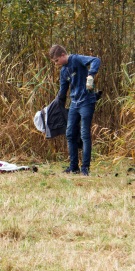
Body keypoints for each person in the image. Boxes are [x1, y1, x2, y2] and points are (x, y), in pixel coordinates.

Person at [49, 44, 101, 176]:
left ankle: (85, 168)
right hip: (74, 103)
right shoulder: (63, 71)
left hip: (87, 102)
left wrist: (91, 75)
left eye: (56, 61)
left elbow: (96, 60)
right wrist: (53, 106)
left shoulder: (77, 59)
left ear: (62, 55)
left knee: (84, 134)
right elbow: (63, 91)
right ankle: (73, 167)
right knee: (70, 134)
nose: (56, 64)